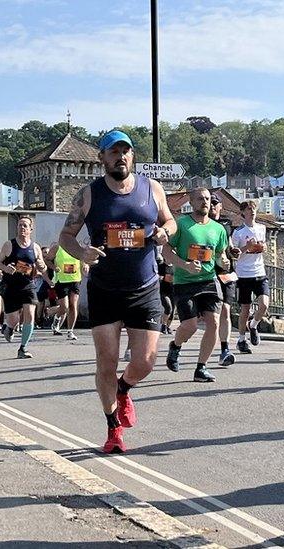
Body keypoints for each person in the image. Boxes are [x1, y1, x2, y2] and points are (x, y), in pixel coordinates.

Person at [58, 129, 177, 454]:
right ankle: (113, 430)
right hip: (105, 289)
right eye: (113, 152)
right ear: (102, 158)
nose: (120, 156)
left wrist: (166, 232)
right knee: (106, 362)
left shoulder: (152, 189)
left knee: (147, 361)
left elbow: (170, 221)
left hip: (145, 286)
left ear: (132, 156)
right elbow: (66, 236)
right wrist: (82, 252)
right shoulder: (88, 195)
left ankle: (124, 389)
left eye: (125, 151)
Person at [163, 187, 230, 383]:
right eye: (200, 199)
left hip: (209, 281)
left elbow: (220, 255)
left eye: (208, 199)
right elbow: (166, 251)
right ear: (191, 202)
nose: (205, 202)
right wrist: (185, 265)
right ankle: (175, 346)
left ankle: (201, 367)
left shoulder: (218, 229)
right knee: (190, 326)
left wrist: (224, 262)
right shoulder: (182, 224)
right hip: (184, 282)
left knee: (214, 323)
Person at [0, 217, 45, 359]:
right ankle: (9, 328)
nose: (22, 228)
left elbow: (41, 265)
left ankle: (23, 348)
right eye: (20, 225)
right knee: (13, 320)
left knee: (30, 314)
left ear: (31, 229)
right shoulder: (9, 245)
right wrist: (6, 268)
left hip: (28, 285)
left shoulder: (35, 247)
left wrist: (42, 266)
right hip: (11, 286)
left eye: (25, 225)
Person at [232, 199, 270, 353]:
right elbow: (234, 255)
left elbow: (264, 246)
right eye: (248, 209)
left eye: (253, 208)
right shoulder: (238, 232)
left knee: (264, 305)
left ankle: (253, 325)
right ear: (243, 212)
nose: (252, 211)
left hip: (259, 272)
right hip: (243, 274)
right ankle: (241, 339)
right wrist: (246, 247)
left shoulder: (262, 228)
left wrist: (264, 247)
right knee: (245, 309)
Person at [210, 195, 241, 365]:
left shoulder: (226, 224)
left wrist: (234, 251)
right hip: (208, 273)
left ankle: (225, 350)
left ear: (220, 206)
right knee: (211, 317)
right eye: (210, 203)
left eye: (215, 203)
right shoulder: (202, 223)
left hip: (226, 273)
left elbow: (228, 245)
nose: (212, 206)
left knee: (226, 310)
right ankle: (177, 345)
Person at [47, 242, 87, 340]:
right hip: (61, 280)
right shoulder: (56, 247)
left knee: (73, 305)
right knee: (65, 307)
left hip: (75, 279)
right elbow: (47, 260)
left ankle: (70, 331)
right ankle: (57, 319)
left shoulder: (78, 246)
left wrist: (85, 266)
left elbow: (83, 259)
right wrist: (54, 267)